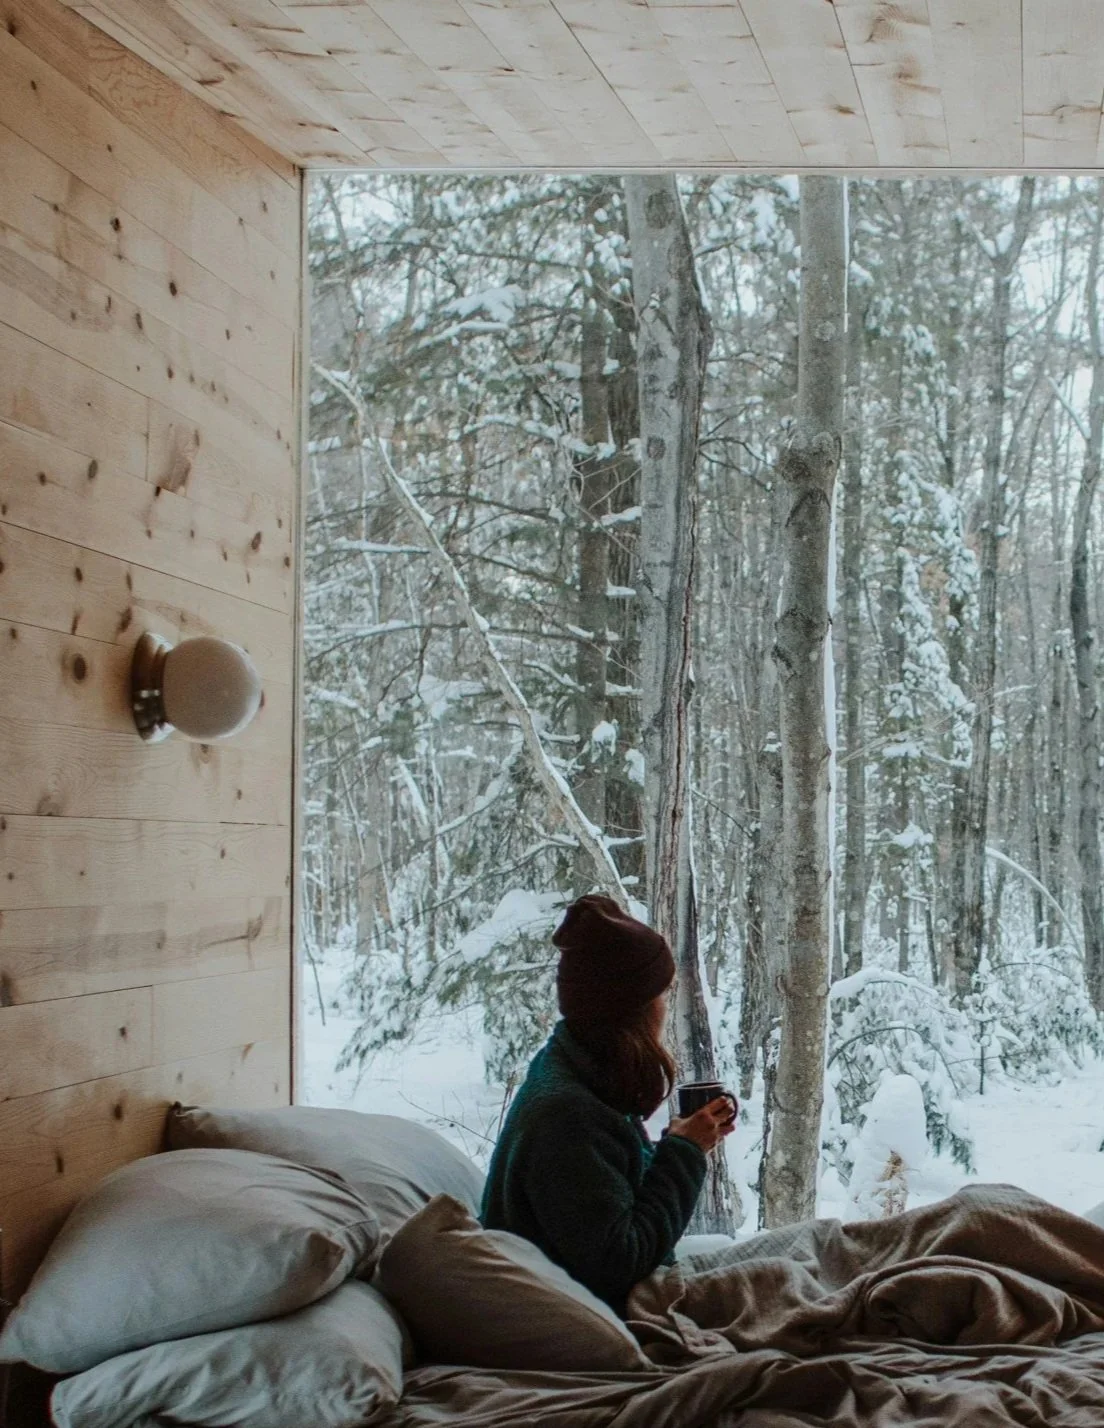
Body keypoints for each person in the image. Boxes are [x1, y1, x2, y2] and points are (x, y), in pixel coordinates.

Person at [480, 893, 736, 1316]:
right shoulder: (568, 1115)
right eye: (660, 993)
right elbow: (621, 1261)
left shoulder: (576, 1071)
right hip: (580, 1315)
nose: (665, 1006)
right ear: (631, 1008)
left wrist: (676, 1142)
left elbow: (604, 1202)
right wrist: (684, 1154)